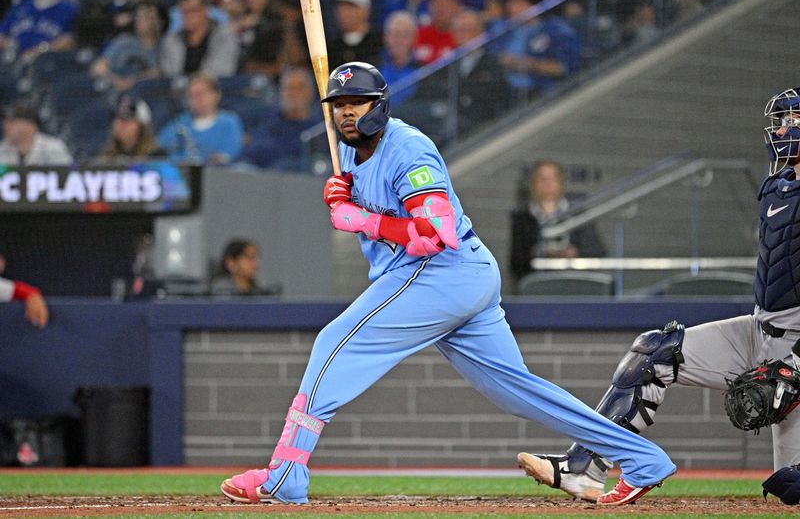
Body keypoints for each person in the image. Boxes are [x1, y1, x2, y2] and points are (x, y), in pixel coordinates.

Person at [219, 61, 675, 506]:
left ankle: (284, 476)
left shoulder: (408, 148)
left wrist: (359, 217)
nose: (346, 112)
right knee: (518, 392)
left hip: (442, 272)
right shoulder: (352, 161)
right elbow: (376, 206)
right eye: (339, 104)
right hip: (457, 279)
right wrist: (346, 195)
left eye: (357, 102)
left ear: (380, 104)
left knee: (333, 343)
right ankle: (641, 458)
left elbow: (438, 234)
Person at [516, 87, 800, 507]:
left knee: (789, 488)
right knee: (655, 351)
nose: (780, 130)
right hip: (759, 327)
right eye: (780, 121)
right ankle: (581, 468)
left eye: (792, 122)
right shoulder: (776, 187)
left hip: (796, 343)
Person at [509, 160, 606, 285]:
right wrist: (535, 253)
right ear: (533, 184)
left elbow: (598, 251)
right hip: (537, 285)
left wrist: (574, 253)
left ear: (561, 182)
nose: (548, 183)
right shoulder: (522, 218)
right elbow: (515, 263)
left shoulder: (577, 214)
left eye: (552, 178)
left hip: (574, 283)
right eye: (542, 178)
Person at [496, 0, 582, 100]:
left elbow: (567, 66)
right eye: (511, 3)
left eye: (518, 3)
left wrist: (527, 64)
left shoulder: (555, 29)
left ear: (533, 5)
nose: (511, 7)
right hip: (510, 97)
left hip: (544, 93)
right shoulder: (508, 31)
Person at [241, 67, 319, 171]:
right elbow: (250, 153)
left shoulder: (320, 130)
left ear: (310, 93)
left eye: (300, 88)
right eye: (288, 88)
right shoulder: (267, 121)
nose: (293, 94)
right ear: (281, 92)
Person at [157, 72, 244, 165]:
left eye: (200, 94)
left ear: (215, 95)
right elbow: (160, 146)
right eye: (191, 96)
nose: (196, 100)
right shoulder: (179, 122)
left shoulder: (229, 122)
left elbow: (231, 152)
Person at [89, 0, 169, 93]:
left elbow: (162, 72)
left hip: (149, 93)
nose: (139, 19)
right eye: (138, 16)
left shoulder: (166, 46)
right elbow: (98, 67)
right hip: (116, 90)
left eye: (146, 16)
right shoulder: (124, 41)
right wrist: (116, 80)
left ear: (160, 22)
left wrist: (134, 80)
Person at [159, 0, 240, 78]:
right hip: (179, 90)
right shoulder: (172, 40)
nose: (188, 16)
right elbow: (169, 75)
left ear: (205, 11)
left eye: (193, 11)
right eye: (184, 12)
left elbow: (221, 72)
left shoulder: (224, 36)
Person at [0, 0, 77, 61]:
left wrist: (42, 50)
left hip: (49, 65)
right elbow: (2, 34)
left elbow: (70, 40)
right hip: (15, 63)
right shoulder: (19, 7)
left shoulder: (69, 9)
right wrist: (10, 44)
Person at [93, 95, 165, 165]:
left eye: (125, 120)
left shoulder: (157, 159)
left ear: (141, 126)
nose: (117, 124)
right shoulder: (105, 159)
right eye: (115, 119)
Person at [328, 0, 383, 68]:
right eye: (340, 7)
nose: (343, 12)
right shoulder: (333, 46)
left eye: (350, 7)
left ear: (365, 10)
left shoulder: (379, 41)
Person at [0, 103, 73, 166]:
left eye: (11, 122)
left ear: (30, 126)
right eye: (5, 122)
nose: (6, 127)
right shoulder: (2, 148)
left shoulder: (53, 147)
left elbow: (68, 177)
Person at [414, 0, 462, 65]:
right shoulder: (418, 34)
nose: (439, 8)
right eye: (435, 3)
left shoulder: (463, 35)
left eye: (445, 3)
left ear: (456, 6)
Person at [377, 10, 419, 107]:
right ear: (386, 37)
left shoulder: (425, 71)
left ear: (414, 38)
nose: (399, 40)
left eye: (405, 35)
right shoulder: (372, 68)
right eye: (395, 34)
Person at [210, 239, 276, 296]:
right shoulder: (219, 292)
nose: (256, 264)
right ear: (231, 262)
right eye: (250, 258)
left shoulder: (259, 292)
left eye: (256, 258)